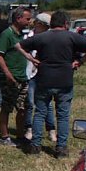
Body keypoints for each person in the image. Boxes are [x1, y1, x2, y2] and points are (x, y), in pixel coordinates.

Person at [18, 10, 86, 157]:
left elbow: (19, 46)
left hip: (44, 79)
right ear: (66, 23)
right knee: (62, 116)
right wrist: (80, 61)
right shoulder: (72, 37)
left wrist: (32, 59)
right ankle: (61, 148)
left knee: (40, 113)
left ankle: (35, 145)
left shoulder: (42, 37)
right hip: (64, 81)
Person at [0, 7, 32, 146]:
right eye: (27, 19)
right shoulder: (7, 34)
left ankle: (20, 135)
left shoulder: (21, 35)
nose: (29, 21)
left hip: (22, 76)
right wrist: (7, 74)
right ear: (18, 18)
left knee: (23, 107)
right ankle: (4, 137)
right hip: (10, 77)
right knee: (7, 106)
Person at [22, 13, 56, 143]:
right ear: (38, 24)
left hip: (44, 74)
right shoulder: (28, 37)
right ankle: (29, 128)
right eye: (45, 26)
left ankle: (51, 129)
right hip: (30, 74)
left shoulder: (49, 38)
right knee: (30, 103)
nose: (48, 29)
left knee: (48, 104)